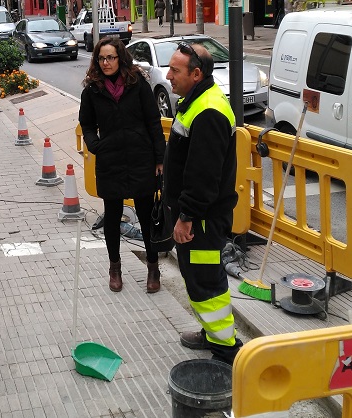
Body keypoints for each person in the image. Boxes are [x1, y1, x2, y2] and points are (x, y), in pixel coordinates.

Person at [163, 43, 242, 364]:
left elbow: (203, 175)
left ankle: (226, 350)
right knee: (198, 275)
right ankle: (213, 334)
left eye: (175, 70)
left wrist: (187, 216)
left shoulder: (208, 111)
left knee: (205, 282)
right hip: (199, 216)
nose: (168, 76)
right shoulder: (198, 101)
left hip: (202, 220)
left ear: (196, 74)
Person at [79, 38, 165, 293]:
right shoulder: (92, 90)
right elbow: (86, 124)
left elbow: (153, 122)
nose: (105, 63)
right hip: (111, 160)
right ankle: (114, 268)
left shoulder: (138, 84)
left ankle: (153, 268)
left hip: (141, 158)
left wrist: (159, 158)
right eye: (101, 58)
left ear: (120, 59)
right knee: (112, 216)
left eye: (110, 58)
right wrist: (95, 145)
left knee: (147, 217)